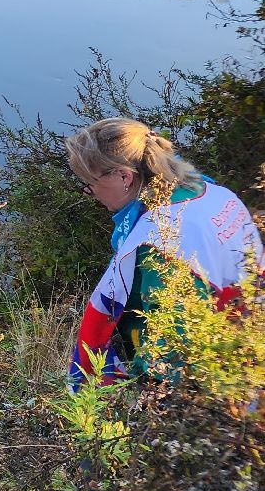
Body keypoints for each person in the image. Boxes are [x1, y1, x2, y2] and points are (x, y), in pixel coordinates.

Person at [65, 117, 262, 388]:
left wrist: (142, 391)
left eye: (90, 184)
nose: (91, 194)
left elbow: (172, 348)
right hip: (250, 335)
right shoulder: (212, 192)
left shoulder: (158, 243)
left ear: (124, 176)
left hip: (217, 381)